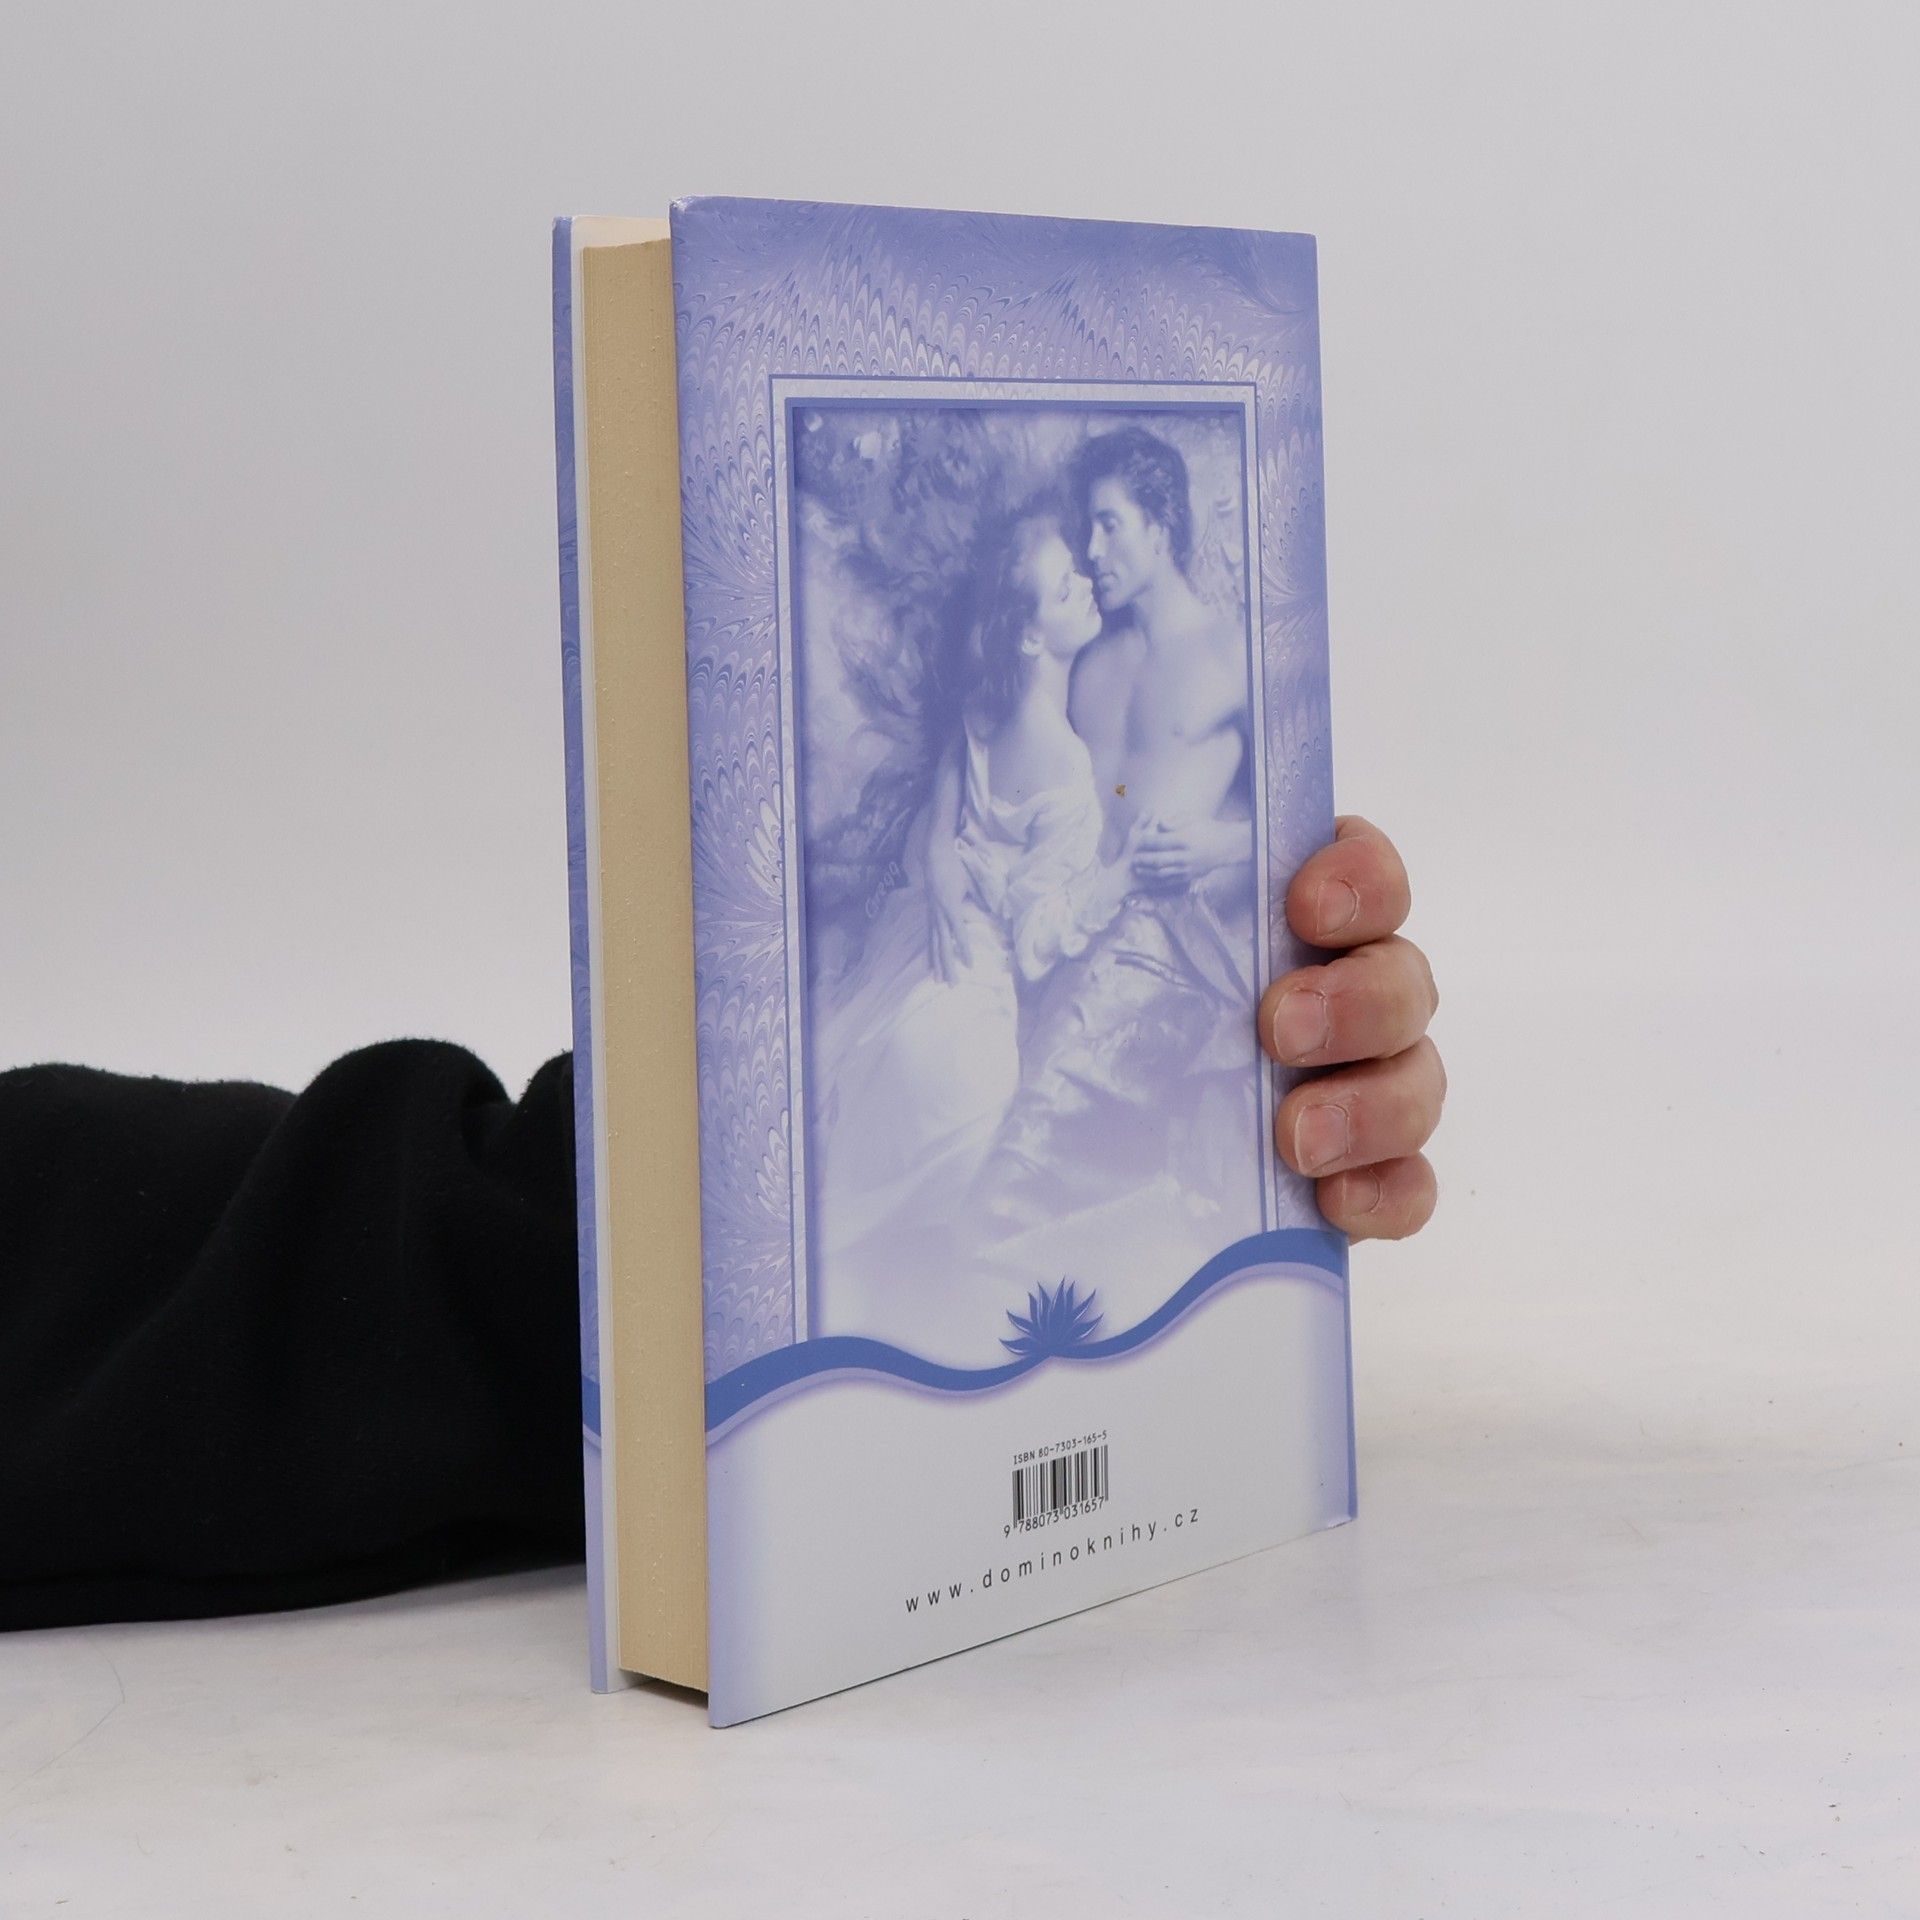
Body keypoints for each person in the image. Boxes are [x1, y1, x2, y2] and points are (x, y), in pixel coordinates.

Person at [809, 506, 1140, 1354]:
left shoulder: (990, 708)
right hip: (966, 994)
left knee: (853, 1182)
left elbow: (954, 779)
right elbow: (1037, 938)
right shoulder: (1066, 764)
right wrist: (1119, 876)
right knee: (968, 1120)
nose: (1085, 587)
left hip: (914, 953)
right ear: (1031, 636)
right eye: (1063, 588)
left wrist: (941, 855)